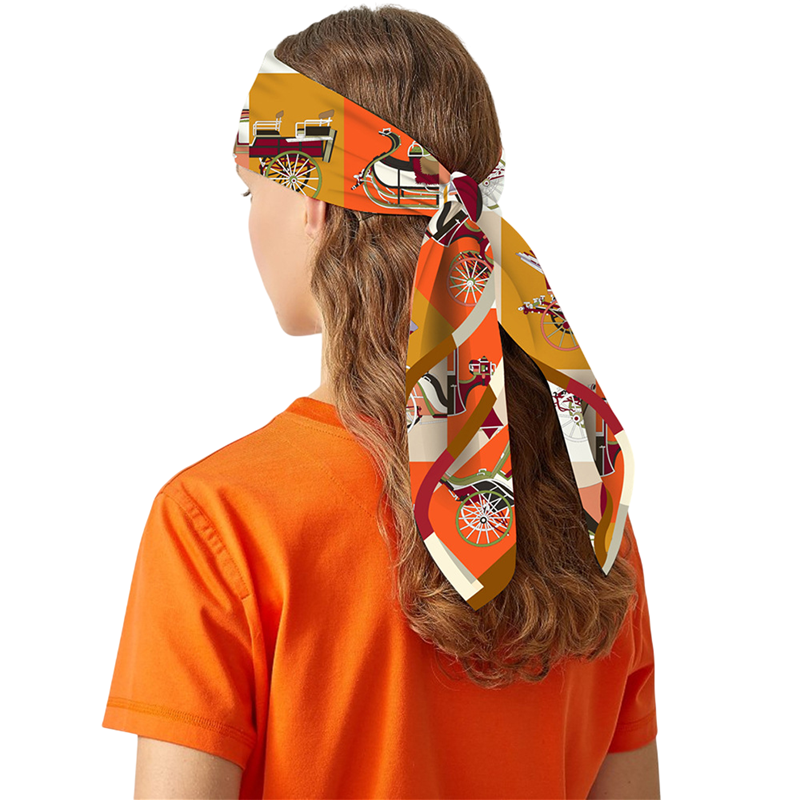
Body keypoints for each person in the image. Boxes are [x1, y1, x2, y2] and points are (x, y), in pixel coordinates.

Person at [102, 6, 659, 798]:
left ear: (315, 206)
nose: (251, 219)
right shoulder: (590, 506)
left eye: (249, 191)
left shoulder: (218, 520)